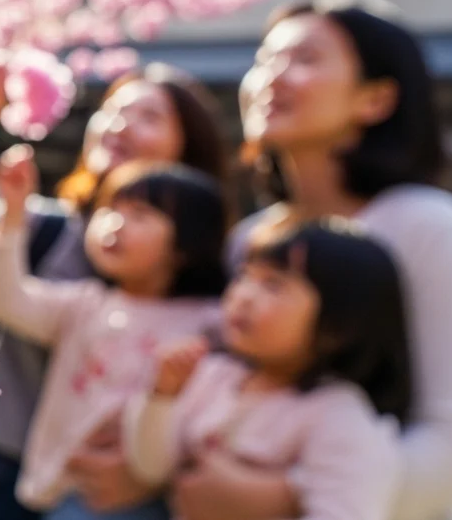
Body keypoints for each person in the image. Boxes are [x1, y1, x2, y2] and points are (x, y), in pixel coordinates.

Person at [174, 0, 452, 520]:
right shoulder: (252, 238)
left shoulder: (430, 227)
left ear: (374, 99)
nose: (271, 78)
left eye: (305, 60)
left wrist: (289, 498)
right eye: (265, 60)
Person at [0, 62, 230, 520]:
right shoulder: (35, 223)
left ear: (188, 148)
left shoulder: (213, 278)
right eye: (114, 110)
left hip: (114, 489)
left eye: (149, 117)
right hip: (3, 465)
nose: (121, 125)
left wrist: (153, 464)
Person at [0, 156, 230, 519]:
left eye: (140, 215)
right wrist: (13, 215)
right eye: (111, 209)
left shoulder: (210, 323)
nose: (115, 224)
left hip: (136, 502)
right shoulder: (85, 304)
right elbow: (7, 301)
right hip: (58, 492)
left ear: (187, 243)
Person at [125, 220, 411, 520]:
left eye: (273, 284)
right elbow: (151, 468)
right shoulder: (213, 376)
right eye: (244, 277)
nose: (244, 296)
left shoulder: (340, 418)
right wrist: (162, 395)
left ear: (339, 325)